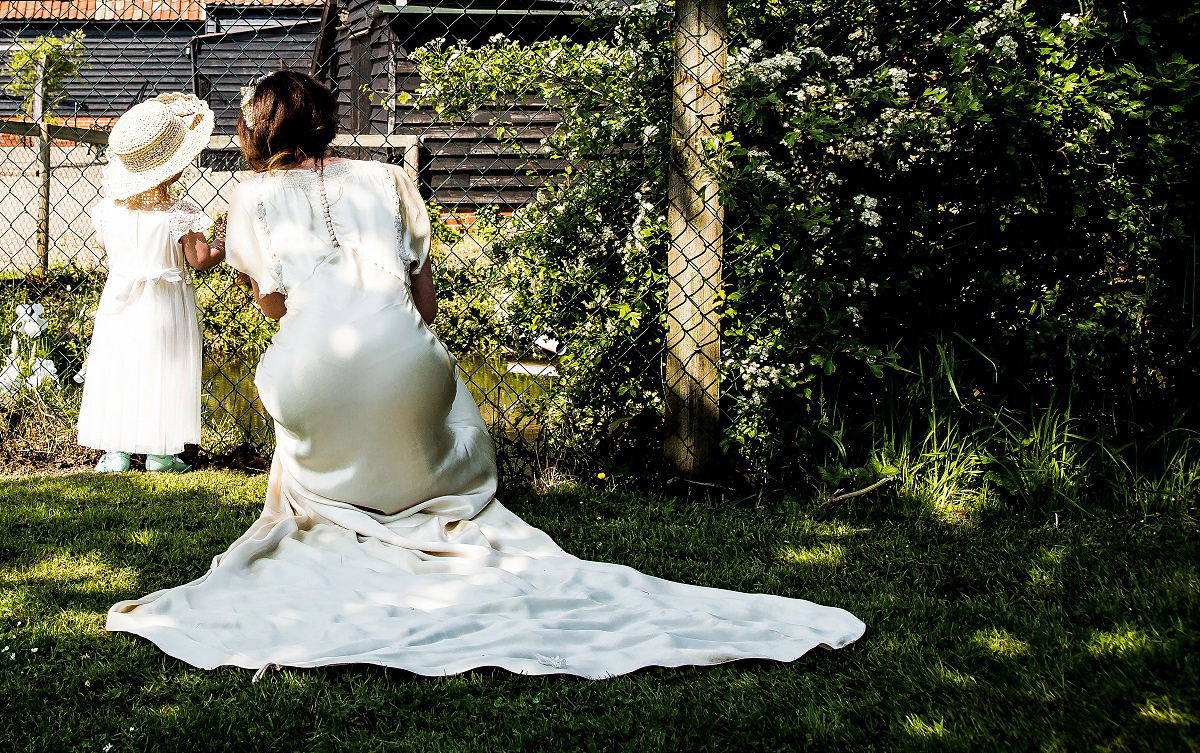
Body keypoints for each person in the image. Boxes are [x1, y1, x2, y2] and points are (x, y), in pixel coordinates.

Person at [106, 72, 865, 678]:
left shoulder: (250, 199)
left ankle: (339, 491)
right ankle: (419, 486)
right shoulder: (388, 180)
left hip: (315, 368)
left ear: (257, 134)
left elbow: (275, 305)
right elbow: (425, 305)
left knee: (295, 375)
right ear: (325, 122)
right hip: (408, 363)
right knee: (424, 383)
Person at [78, 93, 225, 473]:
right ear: (173, 168)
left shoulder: (107, 211)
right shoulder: (179, 214)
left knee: (119, 367)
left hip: (121, 302)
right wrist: (222, 242)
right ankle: (161, 452)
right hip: (165, 304)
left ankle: (116, 453)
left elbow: (106, 246)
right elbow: (200, 260)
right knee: (165, 370)